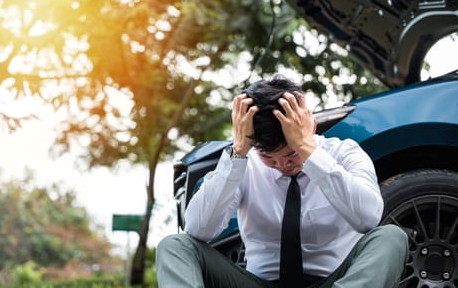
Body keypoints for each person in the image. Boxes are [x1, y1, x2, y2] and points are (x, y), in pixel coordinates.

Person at [156, 75, 409, 288]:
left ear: (309, 125)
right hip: (258, 282)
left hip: (333, 282)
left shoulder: (344, 154)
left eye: (291, 154)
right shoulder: (244, 162)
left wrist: (309, 153)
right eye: (269, 157)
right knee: (175, 246)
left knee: (391, 237)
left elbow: (368, 217)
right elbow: (198, 229)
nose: (282, 165)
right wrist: (239, 151)